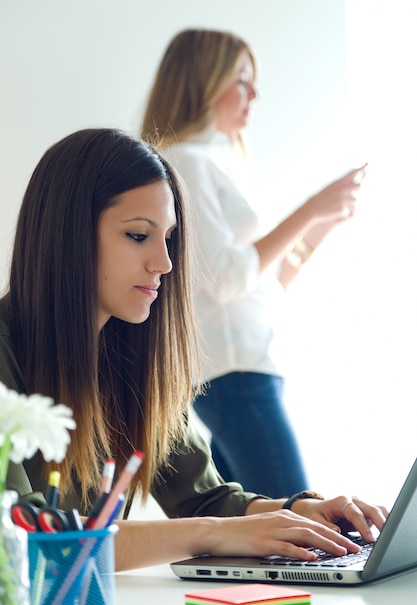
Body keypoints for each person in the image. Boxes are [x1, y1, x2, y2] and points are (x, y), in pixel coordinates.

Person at [1, 128, 386, 573]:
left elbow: (203, 496)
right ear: (67, 234)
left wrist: (295, 511)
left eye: (168, 238)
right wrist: (214, 533)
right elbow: (26, 538)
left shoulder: (132, 356)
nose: (164, 263)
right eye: (138, 236)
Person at [141, 28, 366, 498]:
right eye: (242, 78)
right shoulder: (185, 161)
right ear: (205, 81)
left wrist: (313, 235)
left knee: (262, 527)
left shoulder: (215, 163)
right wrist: (308, 209)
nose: (255, 93)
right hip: (235, 377)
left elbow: (257, 288)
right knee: (298, 516)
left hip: (245, 372)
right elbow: (225, 279)